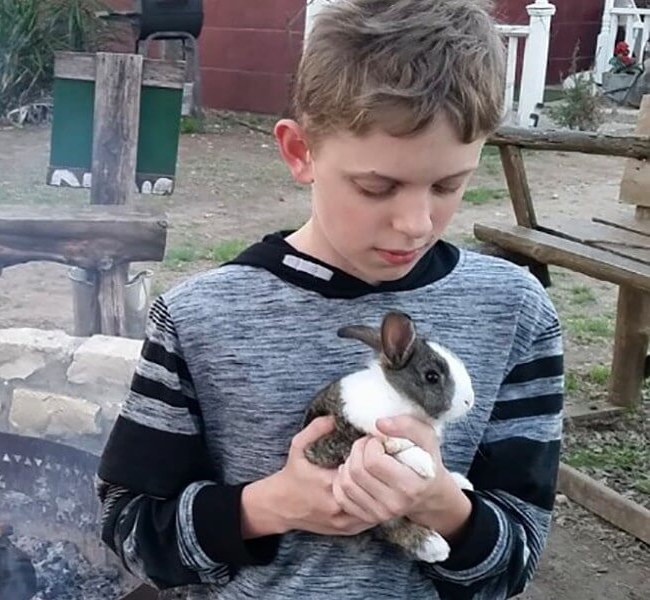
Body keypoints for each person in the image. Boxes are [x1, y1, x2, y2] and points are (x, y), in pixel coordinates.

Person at [94, 0, 564, 598]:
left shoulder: (516, 314)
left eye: (449, 184)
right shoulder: (198, 319)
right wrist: (267, 507)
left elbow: (518, 555)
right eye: (376, 187)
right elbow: (128, 525)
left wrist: (442, 505)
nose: (417, 223)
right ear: (300, 152)